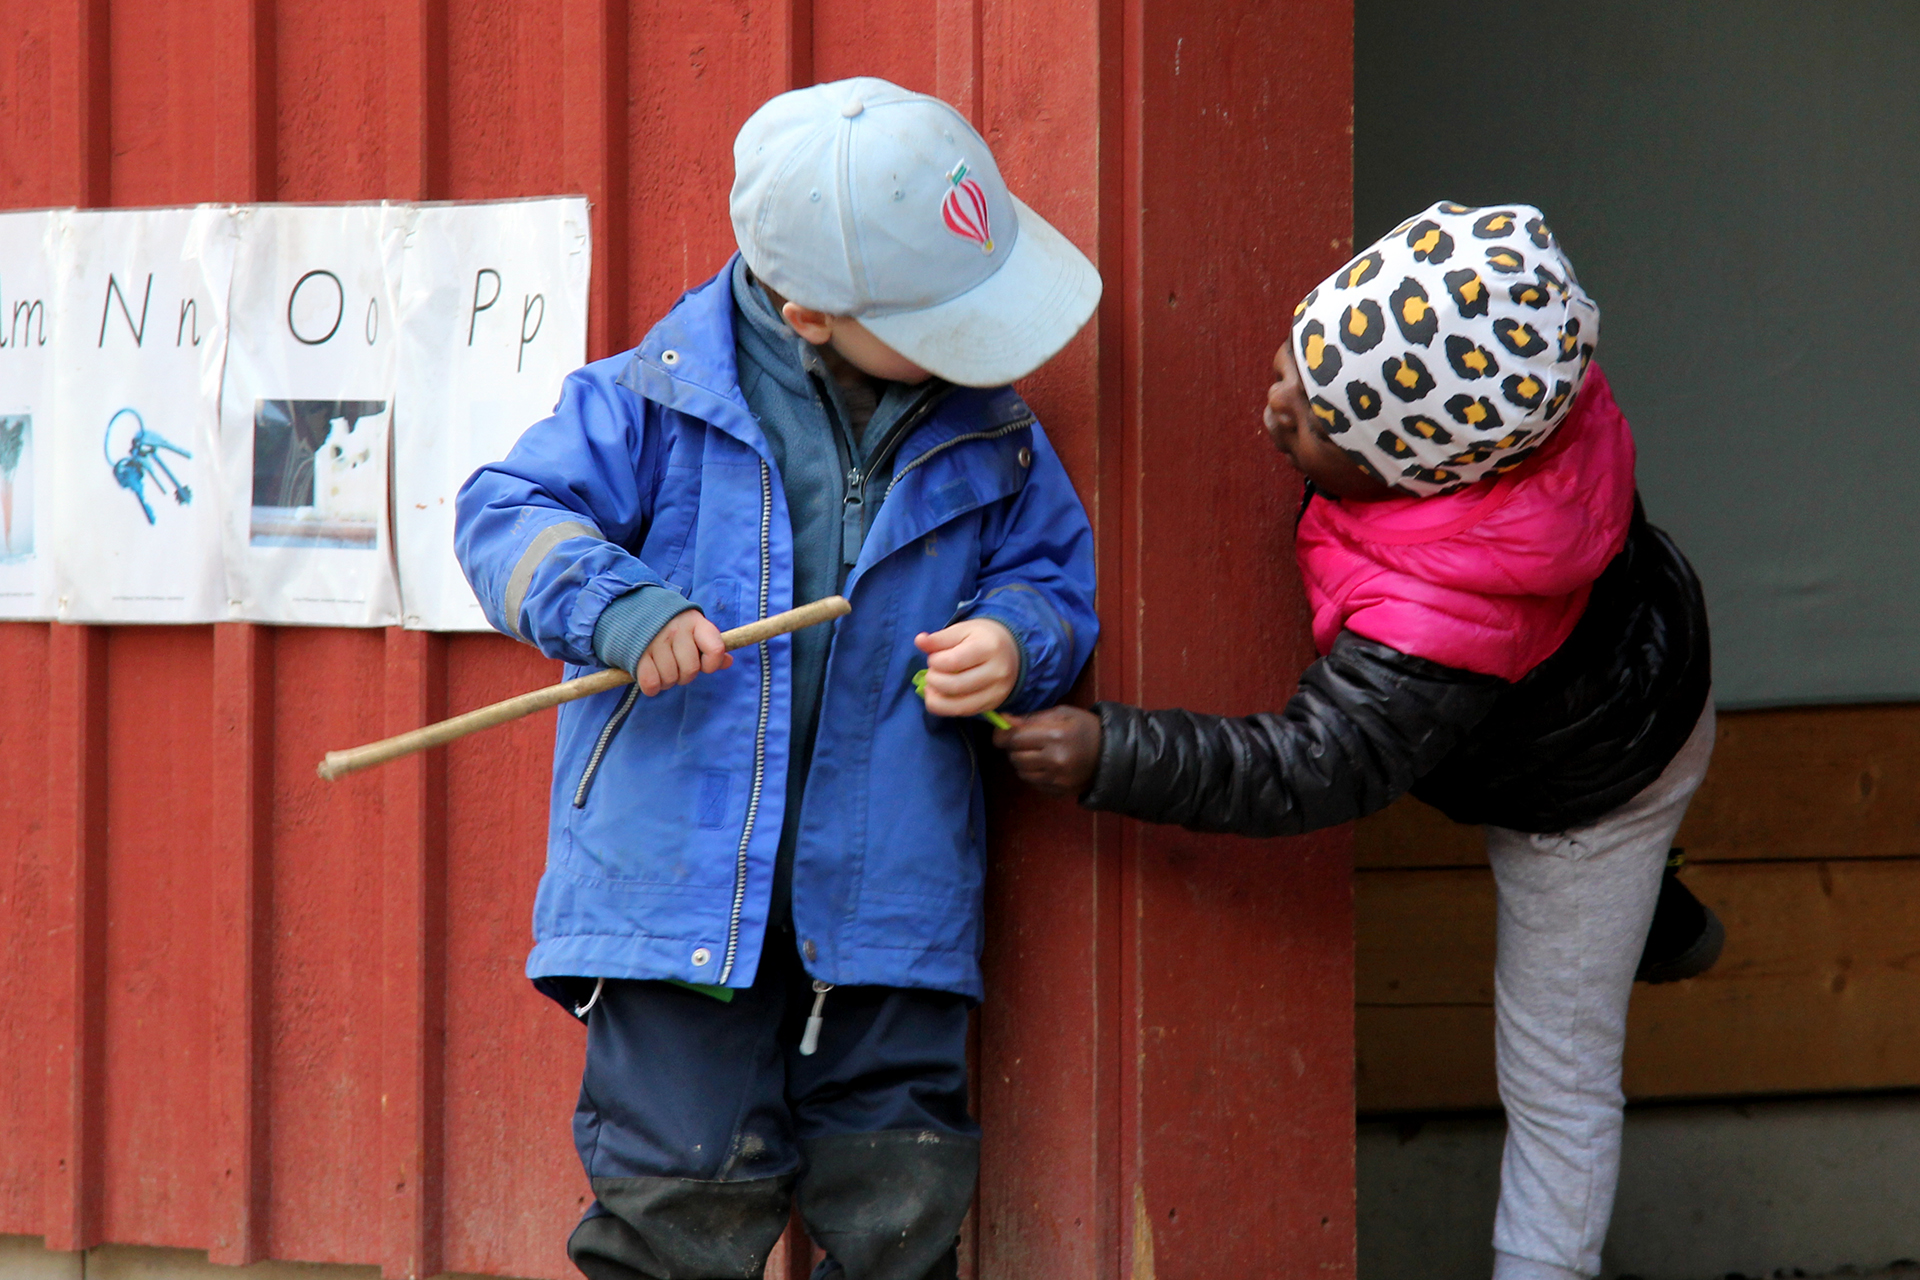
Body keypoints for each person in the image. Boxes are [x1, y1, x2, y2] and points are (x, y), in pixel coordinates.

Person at [994, 201, 1716, 1280]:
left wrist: (1114, 752)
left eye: (1316, 423)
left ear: (1412, 474)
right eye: (1297, 357)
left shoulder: (1440, 623)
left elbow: (1316, 765)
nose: (1278, 402)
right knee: (1602, 920)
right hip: (1640, 658)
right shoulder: (1538, 394)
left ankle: (1546, 1262)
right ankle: (1653, 917)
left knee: (1557, 1066)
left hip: (1595, 791)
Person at [455, 77, 1100, 1280]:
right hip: (677, 907)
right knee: (677, 1203)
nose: (972, 343)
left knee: (902, 1203)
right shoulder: (647, 402)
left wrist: (1017, 638)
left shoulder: (993, 432)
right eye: (941, 319)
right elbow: (506, 515)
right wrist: (623, 607)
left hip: (890, 903)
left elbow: (1050, 576)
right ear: (808, 312)